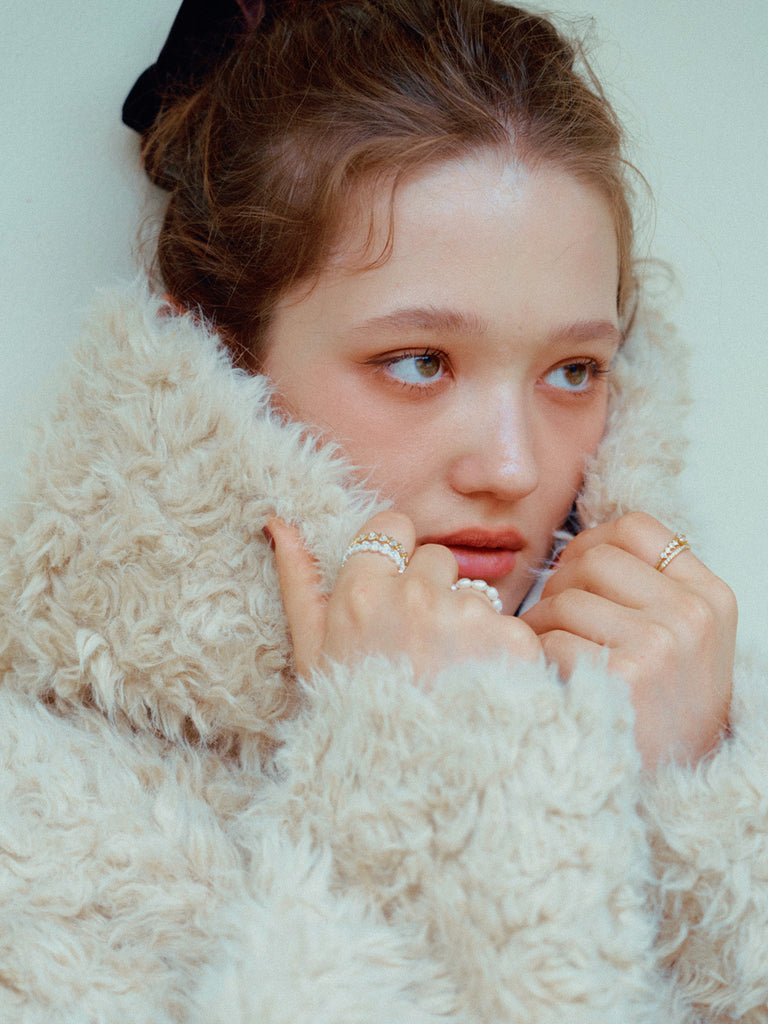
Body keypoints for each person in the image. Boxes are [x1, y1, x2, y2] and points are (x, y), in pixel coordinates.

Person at [0, 1, 764, 1020]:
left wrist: (692, 811)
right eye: (418, 361)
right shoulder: (33, 825)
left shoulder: (719, 746)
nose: (513, 467)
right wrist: (424, 781)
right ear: (216, 362)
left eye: (574, 370)